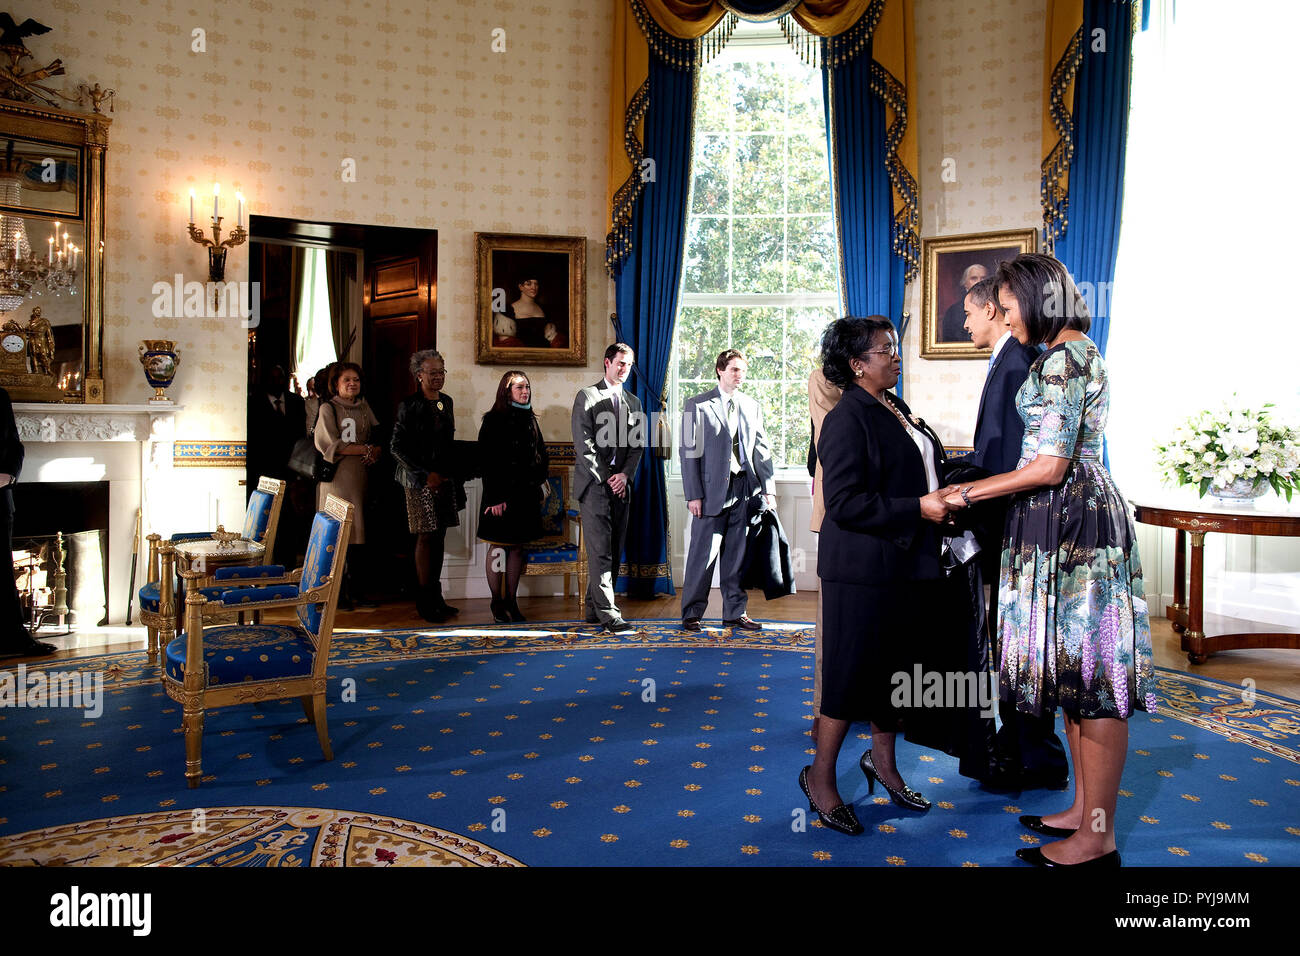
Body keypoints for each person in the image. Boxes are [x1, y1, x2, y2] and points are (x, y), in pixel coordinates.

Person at [940, 253, 1156, 867]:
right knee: (1075, 675)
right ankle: (1084, 810)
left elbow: (1049, 465)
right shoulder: (1076, 349)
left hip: (1071, 519)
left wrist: (965, 492)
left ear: (1037, 299)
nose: (1006, 321)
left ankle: (1097, 836)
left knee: (1093, 679)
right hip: (1067, 515)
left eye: (1008, 309)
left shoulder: (1062, 359)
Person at [800, 317, 956, 836]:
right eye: (884, 350)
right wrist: (920, 507)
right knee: (848, 681)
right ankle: (820, 778)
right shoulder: (847, 416)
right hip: (861, 573)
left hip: (904, 566)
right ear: (856, 364)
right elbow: (844, 504)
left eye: (894, 347)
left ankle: (883, 766)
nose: (895, 356)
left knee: (896, 678)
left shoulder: (893, 406)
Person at [962, 275, 1068, 790]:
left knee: (1019, 642)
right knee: (1010, 640)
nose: (964, 323)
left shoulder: (1017, 364)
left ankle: (1033, 753)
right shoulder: (1009, 362)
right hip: (1008, 515)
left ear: (995, 311)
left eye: (972, 312)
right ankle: (1021, 746)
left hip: (1015, 520)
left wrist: (968, 495)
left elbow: (1010, 457)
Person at [679, 349, 775, 633]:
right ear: (720, 370)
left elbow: (762, 450)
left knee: (737, 556)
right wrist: (693, 494)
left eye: (743, 371)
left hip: (744, 489)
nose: (739, 375)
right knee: (703, 556)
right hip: (709, 493)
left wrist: (768, 490)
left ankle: (735, 612)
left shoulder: (751, 405)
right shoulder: (696, 405)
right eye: (734, 370)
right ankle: (692, 613)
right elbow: (688, 453)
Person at [571, 343, 644, 632]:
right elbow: (583, 443)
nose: (624, 369)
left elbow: (637, 446)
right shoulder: (587, 396)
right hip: (594, 485)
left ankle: (593, 608)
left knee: (614, 548)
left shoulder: (634, 402)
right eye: (620, 363)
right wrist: (607, 477)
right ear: (607, 363)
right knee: (601, 551)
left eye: (628, 364)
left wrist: (624, 476)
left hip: (621, 485)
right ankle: (609, 613)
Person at [391, 350, 466, 623]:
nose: (437, 377)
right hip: (418, 481)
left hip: (445, 479)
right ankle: (424, 601)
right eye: (432, 372)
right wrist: (425, 475)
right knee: (425, 537)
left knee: (439, 537)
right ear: (418, 375)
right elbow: (395, 447)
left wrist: (449, 472)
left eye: (441, 372)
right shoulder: (409, 405)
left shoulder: (446, 402)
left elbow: (446, 443)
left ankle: (437, 598)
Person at [477, 371, 549, 623]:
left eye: (527, 386)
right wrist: (496, 498)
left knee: (518, 548)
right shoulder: (494, 420)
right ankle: (497, 601)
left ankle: (511, 601)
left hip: (525, 497)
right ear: (506, 391)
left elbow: (541, 454)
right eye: (519, 387)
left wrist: (540, 483)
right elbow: (488, 461)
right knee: (498, 548)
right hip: (500, 498)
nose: (525, 391)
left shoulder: (530, 419)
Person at [315, 361, 382, 608]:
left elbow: (376, 436)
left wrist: (375, 450)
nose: (352, 384)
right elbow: (330, 445)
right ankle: (335, 594)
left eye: (356, 380)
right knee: (339, 535)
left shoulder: (364, 407)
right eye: (347, 380)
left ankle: (356, 591)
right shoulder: (327, 408)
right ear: (336, 384)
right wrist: (364, 449)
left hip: (361, 479)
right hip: (338, 481)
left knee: (358, 534)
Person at [0, 385, 56, 658]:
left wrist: (8, 476)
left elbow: (14, 445)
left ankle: (14, 640)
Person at [807, 365, 842, 737]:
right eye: (884, 348)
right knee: (830, 621)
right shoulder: (825, 379)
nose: (893, 358)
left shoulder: (890, 398)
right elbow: (830, 441)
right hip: (839, 511)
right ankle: (823, 710)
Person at [940, 262, 989, 342]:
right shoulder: (953, 312)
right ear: (965, 283)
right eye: (974, 278)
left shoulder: (997, 306)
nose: (979, 282)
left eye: (983, 278)